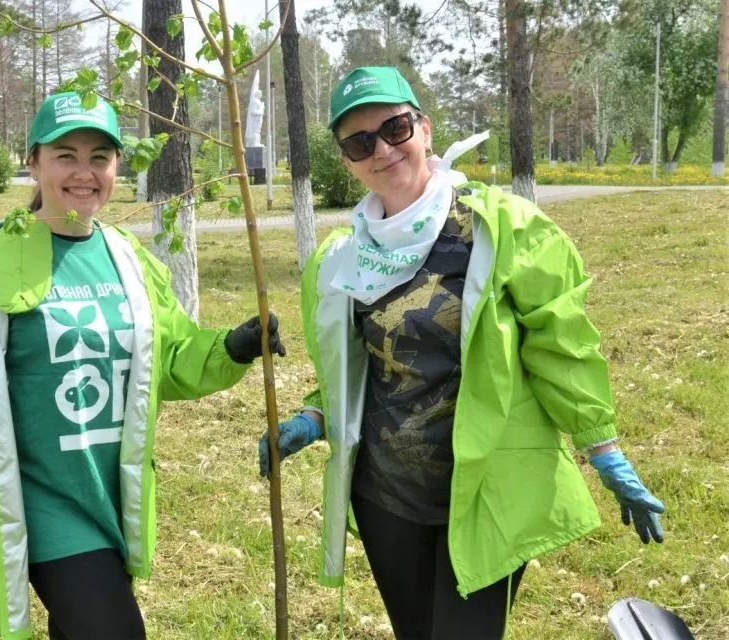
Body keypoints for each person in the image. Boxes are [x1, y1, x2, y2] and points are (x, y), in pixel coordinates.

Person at [258, 67, 665, 640]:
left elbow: (561, 344)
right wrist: (315, 414)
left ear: (423, 129)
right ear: (348, 160)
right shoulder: (339, 260)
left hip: (484, 492)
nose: (382, 150)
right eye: (359, 142)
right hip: (387, 499)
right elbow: (350, 366)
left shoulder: (499, 229)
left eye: (394, 128)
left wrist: (601, 445)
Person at [0, 91, 285, 640]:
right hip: (43, 501)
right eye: (66, 155)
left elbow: (170, 361)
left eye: (99, 157)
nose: (85, 172)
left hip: (112, 492)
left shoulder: (129, 259)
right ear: (32, 162)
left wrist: (233, 347)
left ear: (117, 167)